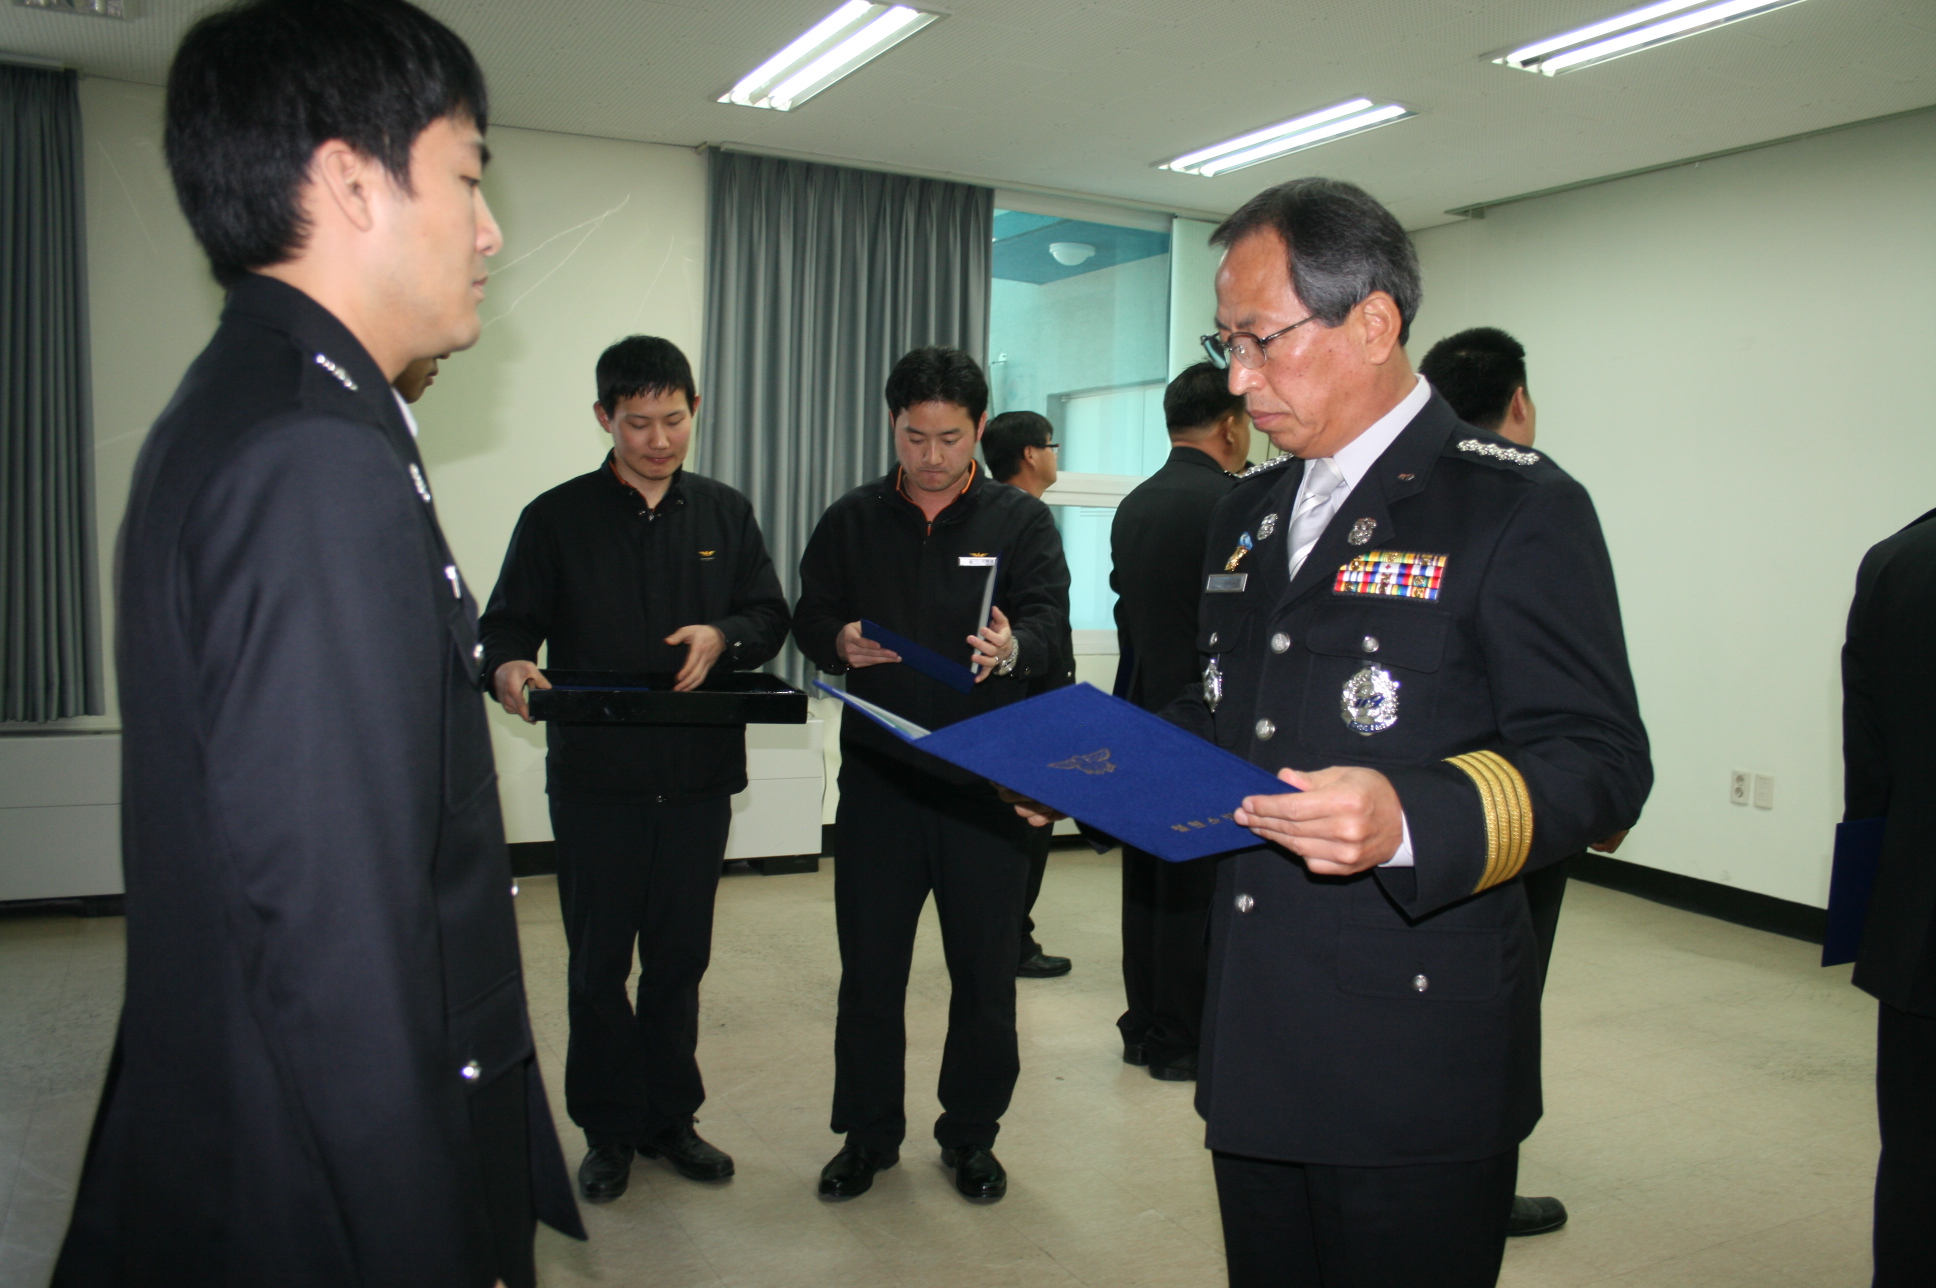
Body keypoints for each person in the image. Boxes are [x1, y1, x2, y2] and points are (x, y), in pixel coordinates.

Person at [1016, 179, 1651, 1287]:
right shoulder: (1249, 510)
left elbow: (1600, 761)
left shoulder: (1514, 507)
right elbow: (1224, 709)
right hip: (1256, 1022)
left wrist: (1411, 817)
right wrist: (1086, 769)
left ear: (1372, 322)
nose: (1237, 378)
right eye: (1224, 343)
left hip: (1414, 1048)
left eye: (1260, 339)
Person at [53, 3, 583, 1285]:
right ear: (351, 181)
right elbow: (337, 939)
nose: (490, 230)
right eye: (468, 176)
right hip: (312, 1191)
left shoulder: (259, 397)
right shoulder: (312, 457)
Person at [478, 335, 790, 1202]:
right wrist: (509, 666)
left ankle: (670, 1119)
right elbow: (505, 626)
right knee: (598, 966)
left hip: (695, 779)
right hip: (598, 782)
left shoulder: (725, 513)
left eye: (674, 420)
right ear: (603, 418)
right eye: (638, 423)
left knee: (679, 963)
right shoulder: (556, 518)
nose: (658, 440)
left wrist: (723, 635)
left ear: (696, 410)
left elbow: (769, 614)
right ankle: (607, 1129)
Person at [793, 347, 1072, 1203]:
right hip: (881, 782)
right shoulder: (852, 519)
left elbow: (1050, 627)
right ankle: (867, 1136)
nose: (932, 457)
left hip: (986, 788)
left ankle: (971, 1137)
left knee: (984, 979)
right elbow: (809, 616)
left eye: (951, 438)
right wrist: (835, 640)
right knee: (870, 974)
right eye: (915, 437)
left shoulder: (1019, 523)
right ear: (893, 425)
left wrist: (1014, 648)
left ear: (979, 429)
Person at [1418, 325, 1623, 1238]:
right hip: (1513, 815)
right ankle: (1477, 1185)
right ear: (1520, 403)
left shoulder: (1402, 500)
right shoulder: (1537, 500)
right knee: (1501, 999)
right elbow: (1578, 703)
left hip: (1410, 808)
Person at [1107, 361, 1250, 1082]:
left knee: (1146, 879)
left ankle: (1143, 1025)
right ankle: (1181, 1040)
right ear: (1230, 426)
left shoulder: (1135, 504)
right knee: (1196, 884)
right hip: (1206, 719)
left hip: (1142, 708)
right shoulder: (1234, 504)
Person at [1842, 505, 1936, 1286]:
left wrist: (1869, 918)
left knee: (1917, 1157)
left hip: (1919, 921)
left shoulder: (1898, 562)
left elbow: (1868, 768)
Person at [982, 409, 1075, 980]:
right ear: (1032, 454)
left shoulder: (1004, 515)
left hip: (1026, 694)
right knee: (1026, 828)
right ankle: (1012, 941)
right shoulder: (1022, 520)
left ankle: (1012, 936)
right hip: (1028, 699)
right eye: (1052, 445)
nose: (1056, 455)